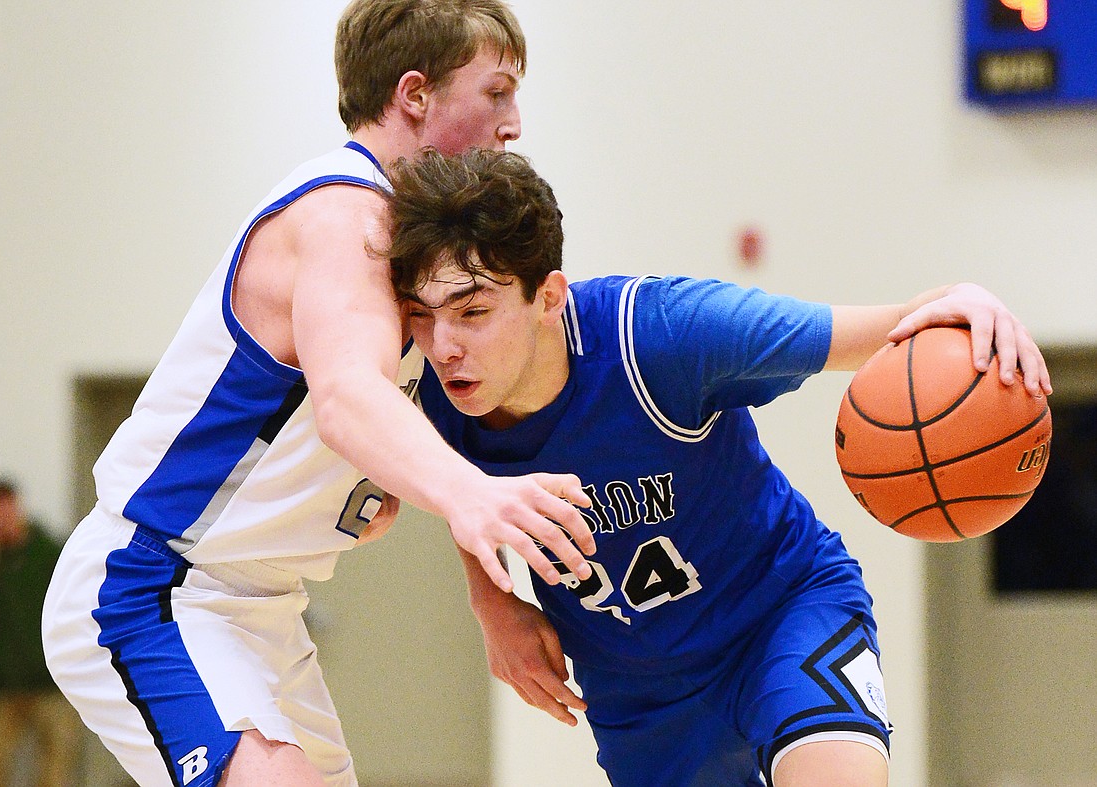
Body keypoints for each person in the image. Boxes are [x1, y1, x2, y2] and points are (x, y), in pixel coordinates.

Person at [40, 3, 598, 786]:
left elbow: (433, 425)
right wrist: (472, 496)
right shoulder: (344, 215)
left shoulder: (412, 241)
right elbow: (343, 399)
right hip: (156, 586)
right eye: (497, 91)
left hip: (261, 606)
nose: (514, 122)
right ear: (415, 95)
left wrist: (489, 594)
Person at [381, 148, 1053, 787]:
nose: (445, 344)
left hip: (779, 610)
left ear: (550, 296)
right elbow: (449, 482)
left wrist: (967, 299)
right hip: (635, 680)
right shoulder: (425, 389)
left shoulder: (664, 335)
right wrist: (492, 598)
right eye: (422, 315)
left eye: (473, 311)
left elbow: (876, 329)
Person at [0, 477, 81, 787]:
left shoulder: (46, 550)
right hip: (1, 683)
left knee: (57, 766)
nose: (4, 517)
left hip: (48, 682)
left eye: (8, 509)